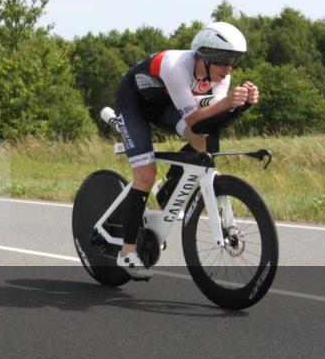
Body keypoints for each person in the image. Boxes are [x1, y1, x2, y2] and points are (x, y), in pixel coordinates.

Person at [110, 22, 260, 279]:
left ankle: (167, 191)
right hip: (133, 103)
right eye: (223, 61)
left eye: (233, 62)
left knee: (203, 144)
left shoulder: (220, 76)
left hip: (164, 105)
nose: (228, 69)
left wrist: (241, 106)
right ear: (204, 58)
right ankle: (127, 252)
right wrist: (227, 102)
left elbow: (210, 125)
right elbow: (193, 119)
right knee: (145, 175)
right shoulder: (175, 66)